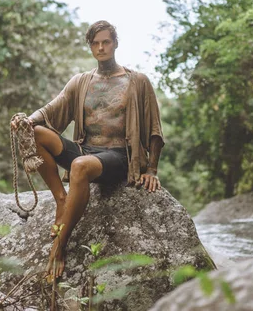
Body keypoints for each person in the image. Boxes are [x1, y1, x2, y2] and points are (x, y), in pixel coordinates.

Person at [11, 20, 164, 279]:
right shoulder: (81, 81)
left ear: (115, 44)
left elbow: (155, 129)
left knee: (79, 167)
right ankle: (61, 199)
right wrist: (26, 121)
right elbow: (50, 110)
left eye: (106, 42)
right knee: (35, 133)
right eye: (96, 43)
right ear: (90, 47)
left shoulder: (137, 81)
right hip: (85, 150)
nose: (101, 47)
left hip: (119, 156)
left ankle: (59, 246)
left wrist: (152, 169)